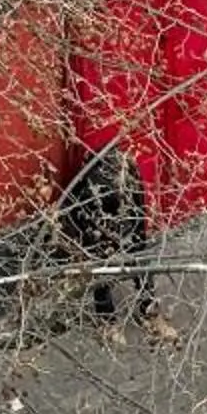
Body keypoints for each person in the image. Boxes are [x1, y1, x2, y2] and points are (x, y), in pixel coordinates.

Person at [55, 134, 161, 331]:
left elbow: (139, 212)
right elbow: (78, 217)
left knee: (139, 258)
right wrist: (91, 242)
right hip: (98, 225)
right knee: (101, 265)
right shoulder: (90, 187)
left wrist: (138, 237)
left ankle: (148, 310)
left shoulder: (130, 173)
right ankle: (107, 320)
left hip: (126, 221)